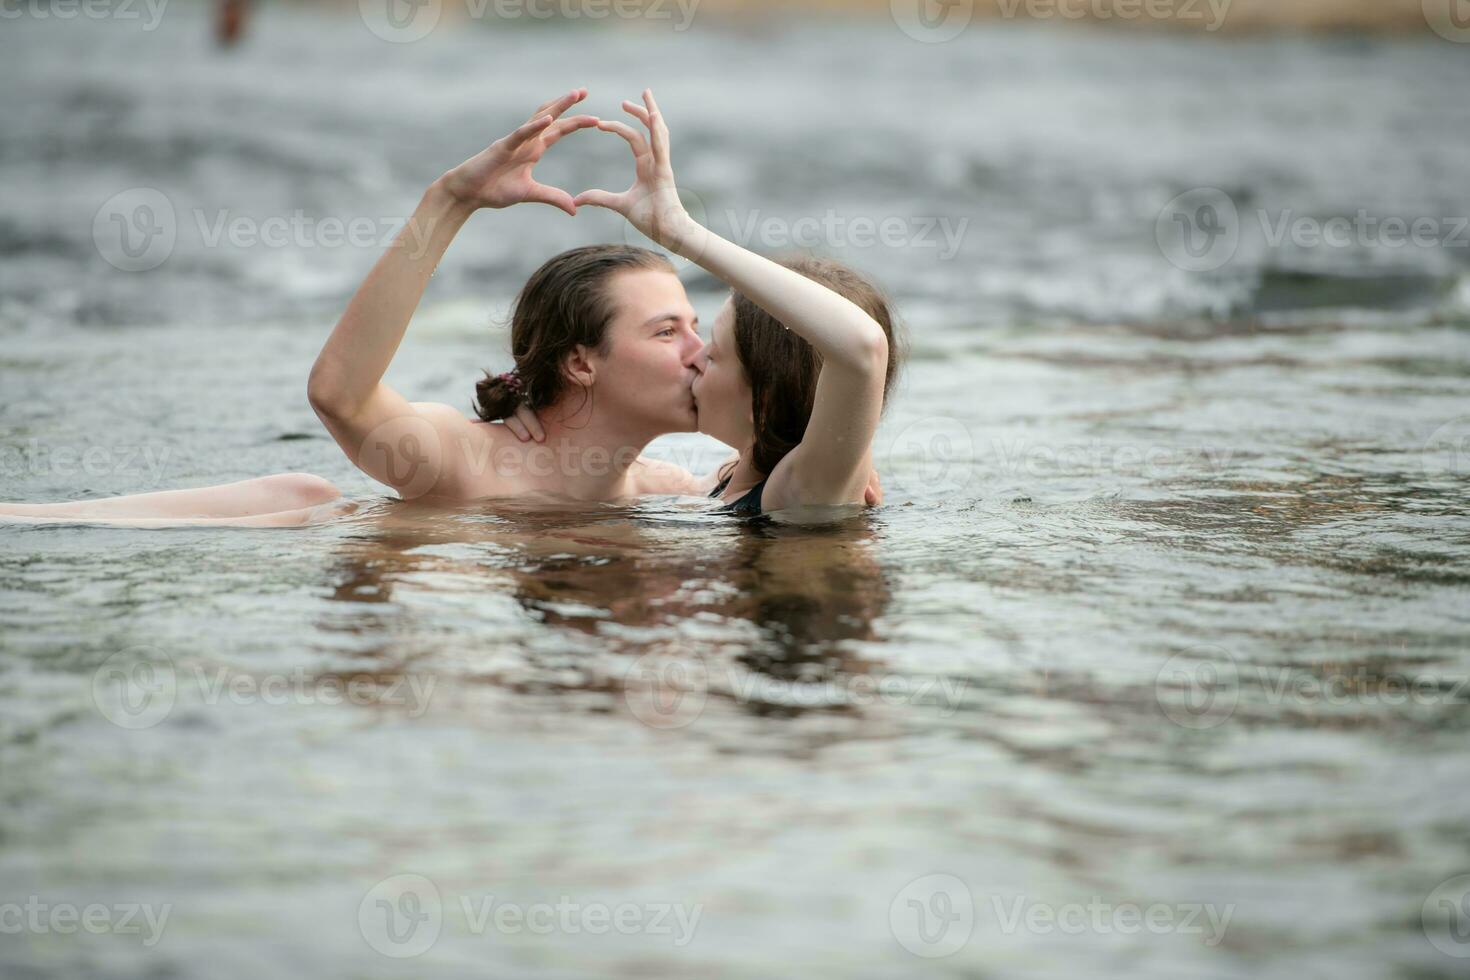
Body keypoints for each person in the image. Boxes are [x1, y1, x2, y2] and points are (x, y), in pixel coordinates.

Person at [0, 89, 890, 527]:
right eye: (669, 331)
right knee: (305, 496)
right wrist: (449, 203)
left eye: (701, 331)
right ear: (581, 361)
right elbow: (342, 397)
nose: (700, 352)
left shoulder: (672, 490)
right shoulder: (473, 464)